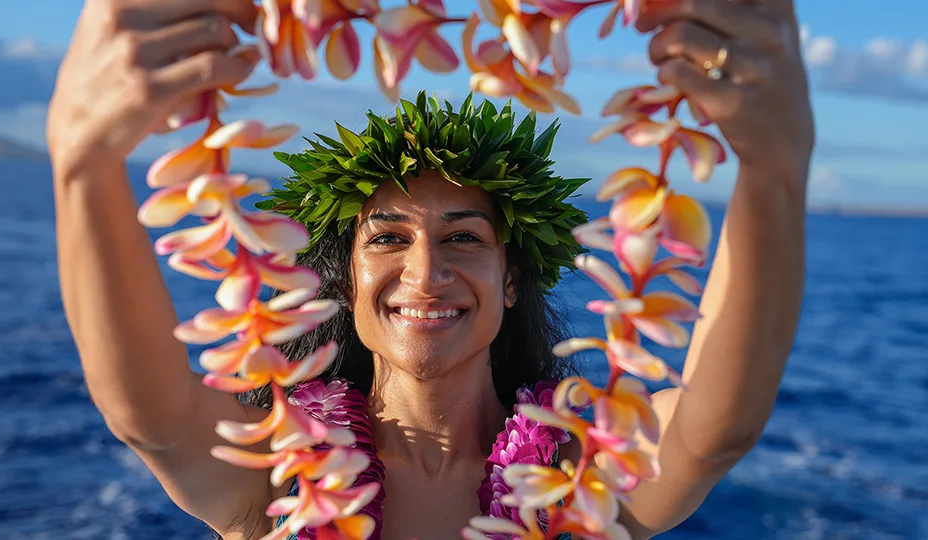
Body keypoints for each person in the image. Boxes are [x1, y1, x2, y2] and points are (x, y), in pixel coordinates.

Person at [47, 0, 814, 539]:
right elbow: (145, 415)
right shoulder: (273, 470)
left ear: (511, 280)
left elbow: (712, 436)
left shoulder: (587, 473)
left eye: (464, 239)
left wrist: (774, 170)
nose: (425, 273)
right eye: (386, 238)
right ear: (345, 278)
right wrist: (82, 162)